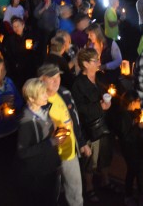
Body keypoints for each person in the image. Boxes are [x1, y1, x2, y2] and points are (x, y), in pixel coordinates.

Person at [38, 63, 91, 206]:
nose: (56, 81)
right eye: (51, 78)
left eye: (58, 76)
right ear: (41, 79)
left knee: (75, 192)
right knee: (50, 194)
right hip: (50, 158)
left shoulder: (64, 93)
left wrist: (81, 142)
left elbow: (74, 119)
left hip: (69, 154)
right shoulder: (37, 101)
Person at [71, 48, 116, 203]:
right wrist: (99, 107)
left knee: (105, 155)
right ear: (85, 63)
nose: (99, 62)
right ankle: (89, 188)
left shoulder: (98, 79)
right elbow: (79, 109)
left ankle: (106, 181)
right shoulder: (78, 84)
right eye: (95, 60)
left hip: (104, 125)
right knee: (91, 161)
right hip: (91, 129)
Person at [16, 77, 63, 206]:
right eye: (42, 93)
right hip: (39, 174)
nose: (46, 95)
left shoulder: (44, 110)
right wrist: (51, 142)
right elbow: (23, 152)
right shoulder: (26, 122)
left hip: (50, 167)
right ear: (31, 98)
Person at [111, 90, 143, 206]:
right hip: (130, 150)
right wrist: (138, 126)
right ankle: (131, 196)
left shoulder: (136, 112)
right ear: (132, 102)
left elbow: (141, 130)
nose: (140, 102)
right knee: (135, 172)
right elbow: (126, 137)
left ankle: (139, 195)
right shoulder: (123, 117)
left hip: (139, 147)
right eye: (138, 100)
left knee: (138, 172)